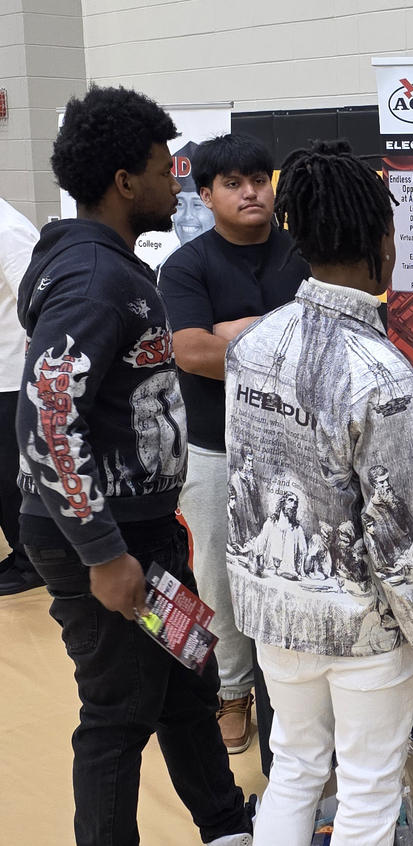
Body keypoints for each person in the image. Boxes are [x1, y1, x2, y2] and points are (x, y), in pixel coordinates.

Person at [224, 139, 413, 846]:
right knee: (368, 786)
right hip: (364, 630)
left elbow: (247, 490)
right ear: (382, 242)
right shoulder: (384, 377)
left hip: (275, 613)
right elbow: (400, 549)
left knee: (296, 769)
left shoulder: (251, 348)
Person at [15, 85, 253, 846]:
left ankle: (227, 826)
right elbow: (48, 418)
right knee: (118, 714)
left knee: (187, 684)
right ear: (124, 182)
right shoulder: (94, 279)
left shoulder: (106, 264)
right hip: (106, 540)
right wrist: (104, 554)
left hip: (144, 529)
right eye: (162, 168)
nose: (174, 181)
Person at [159, 133, 309, 753]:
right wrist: (285, 342)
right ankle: (232, 693)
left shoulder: (303, 254)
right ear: (206, 195)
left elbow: (335, 337)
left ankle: (292, 700)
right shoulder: (187, 265)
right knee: (219, 581)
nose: (251, 192)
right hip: (215, 450)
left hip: (299, 450)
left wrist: (238, 334)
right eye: (233, 183)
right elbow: (191, 351)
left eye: (258, 180)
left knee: (295, 572)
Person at [0, 198, 42, 596]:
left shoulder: (8, 230)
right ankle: (19, 552)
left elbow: (34, 302)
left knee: (12, 476)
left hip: (12, 377)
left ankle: (30, 561)